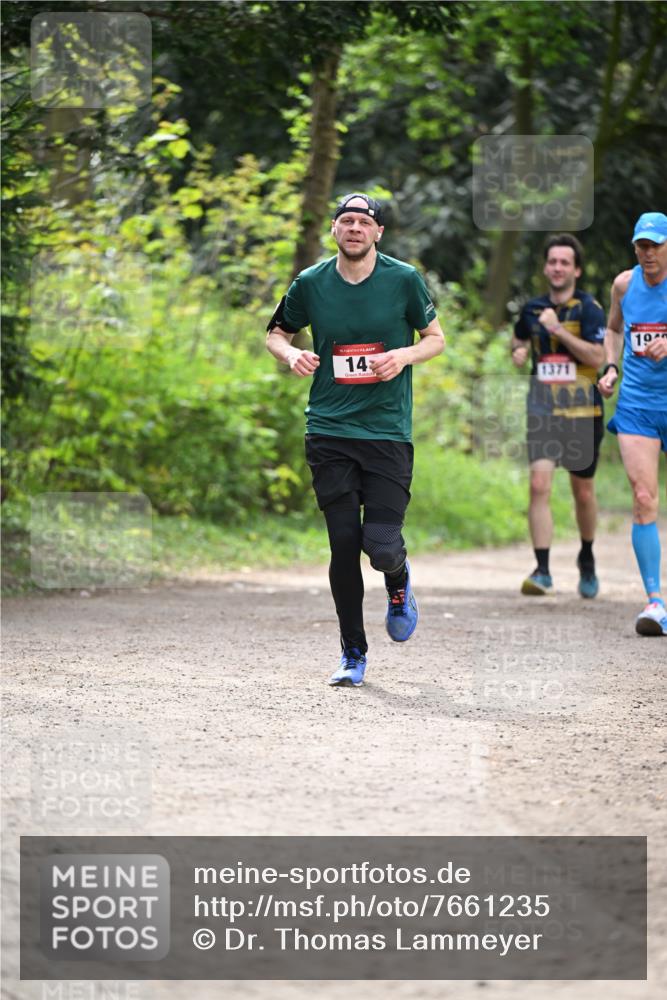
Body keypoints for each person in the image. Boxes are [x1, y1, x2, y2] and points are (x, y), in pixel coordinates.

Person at [266, 193, 444, 686]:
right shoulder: (311, 282)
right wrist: (289, 355)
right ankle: (352, 653)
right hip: (329, 428)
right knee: (344, 543)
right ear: (334, 230)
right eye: (346, 220)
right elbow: (276, 332)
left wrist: (403, 357)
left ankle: (399, 581)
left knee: (382, 544)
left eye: (364, 222)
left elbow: (436, 338)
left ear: (378, 233)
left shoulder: (403, 279)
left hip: (387, 432)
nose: (354, 228)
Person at [511, 234, 606, 597]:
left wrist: (557, 331)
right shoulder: (532, 308)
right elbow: (519, 339)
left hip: (583, 411)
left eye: (565, 262)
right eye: (552, 261)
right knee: (539, 486)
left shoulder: (589, 309)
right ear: (545, 266)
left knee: (582, 492)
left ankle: (586, 556)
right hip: (542, 410)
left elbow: (597, 358)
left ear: (576, 270)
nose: (557, 267)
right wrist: (518, 351)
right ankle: (543, 569)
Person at [598, 211, 667, 637]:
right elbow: (613, 329)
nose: (648, 254)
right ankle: (656, 602)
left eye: (655, 245)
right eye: (641, 246)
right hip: (638, 403)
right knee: (643, 496)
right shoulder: (624, 285)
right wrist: (609, 367)